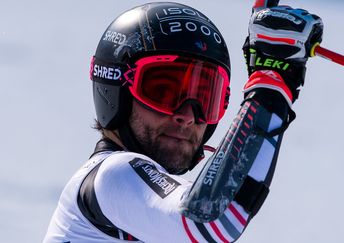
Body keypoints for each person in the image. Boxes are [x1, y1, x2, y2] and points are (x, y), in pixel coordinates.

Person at [44, 1, 323, 242]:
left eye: (205, 98)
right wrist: (271, 84)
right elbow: (210, 220)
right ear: (117, 89)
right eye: (164, 92)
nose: (188, 116)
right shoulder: (111, 176)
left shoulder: (146, 209)